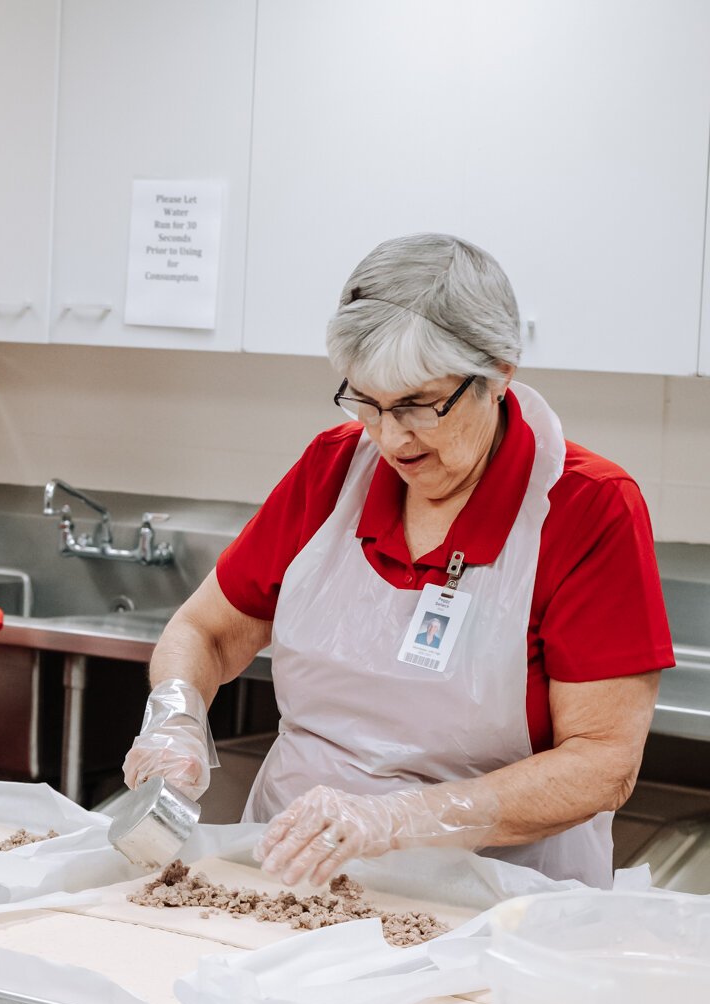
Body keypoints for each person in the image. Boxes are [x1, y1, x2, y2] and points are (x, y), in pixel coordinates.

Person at [122, 233, 674, 889]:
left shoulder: (587, 509)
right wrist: (176, 715)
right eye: (368, 402)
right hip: (287, 885)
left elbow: (603, 762)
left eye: (417, 404)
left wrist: (399, 821)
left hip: (493, 911)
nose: (390, 437)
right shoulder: (334, 471)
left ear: (499, 370)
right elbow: (205, 630)